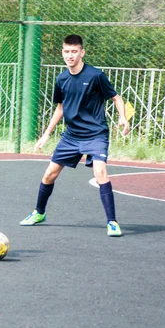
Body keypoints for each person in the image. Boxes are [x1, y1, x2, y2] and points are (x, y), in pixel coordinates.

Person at [20, 34, 130, 237]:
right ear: (62, 52)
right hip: (71, 136)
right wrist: (46, 135)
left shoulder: (95, 76)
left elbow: (116, 97)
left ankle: (112, 222)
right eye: (66, 51)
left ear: (82, 52)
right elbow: (60, 108)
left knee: (100, 173)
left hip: (96, 135)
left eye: (74, 51)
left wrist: (123, 117)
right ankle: (39, 212)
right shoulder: (61, 79)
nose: (69, 55)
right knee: (49, 175)